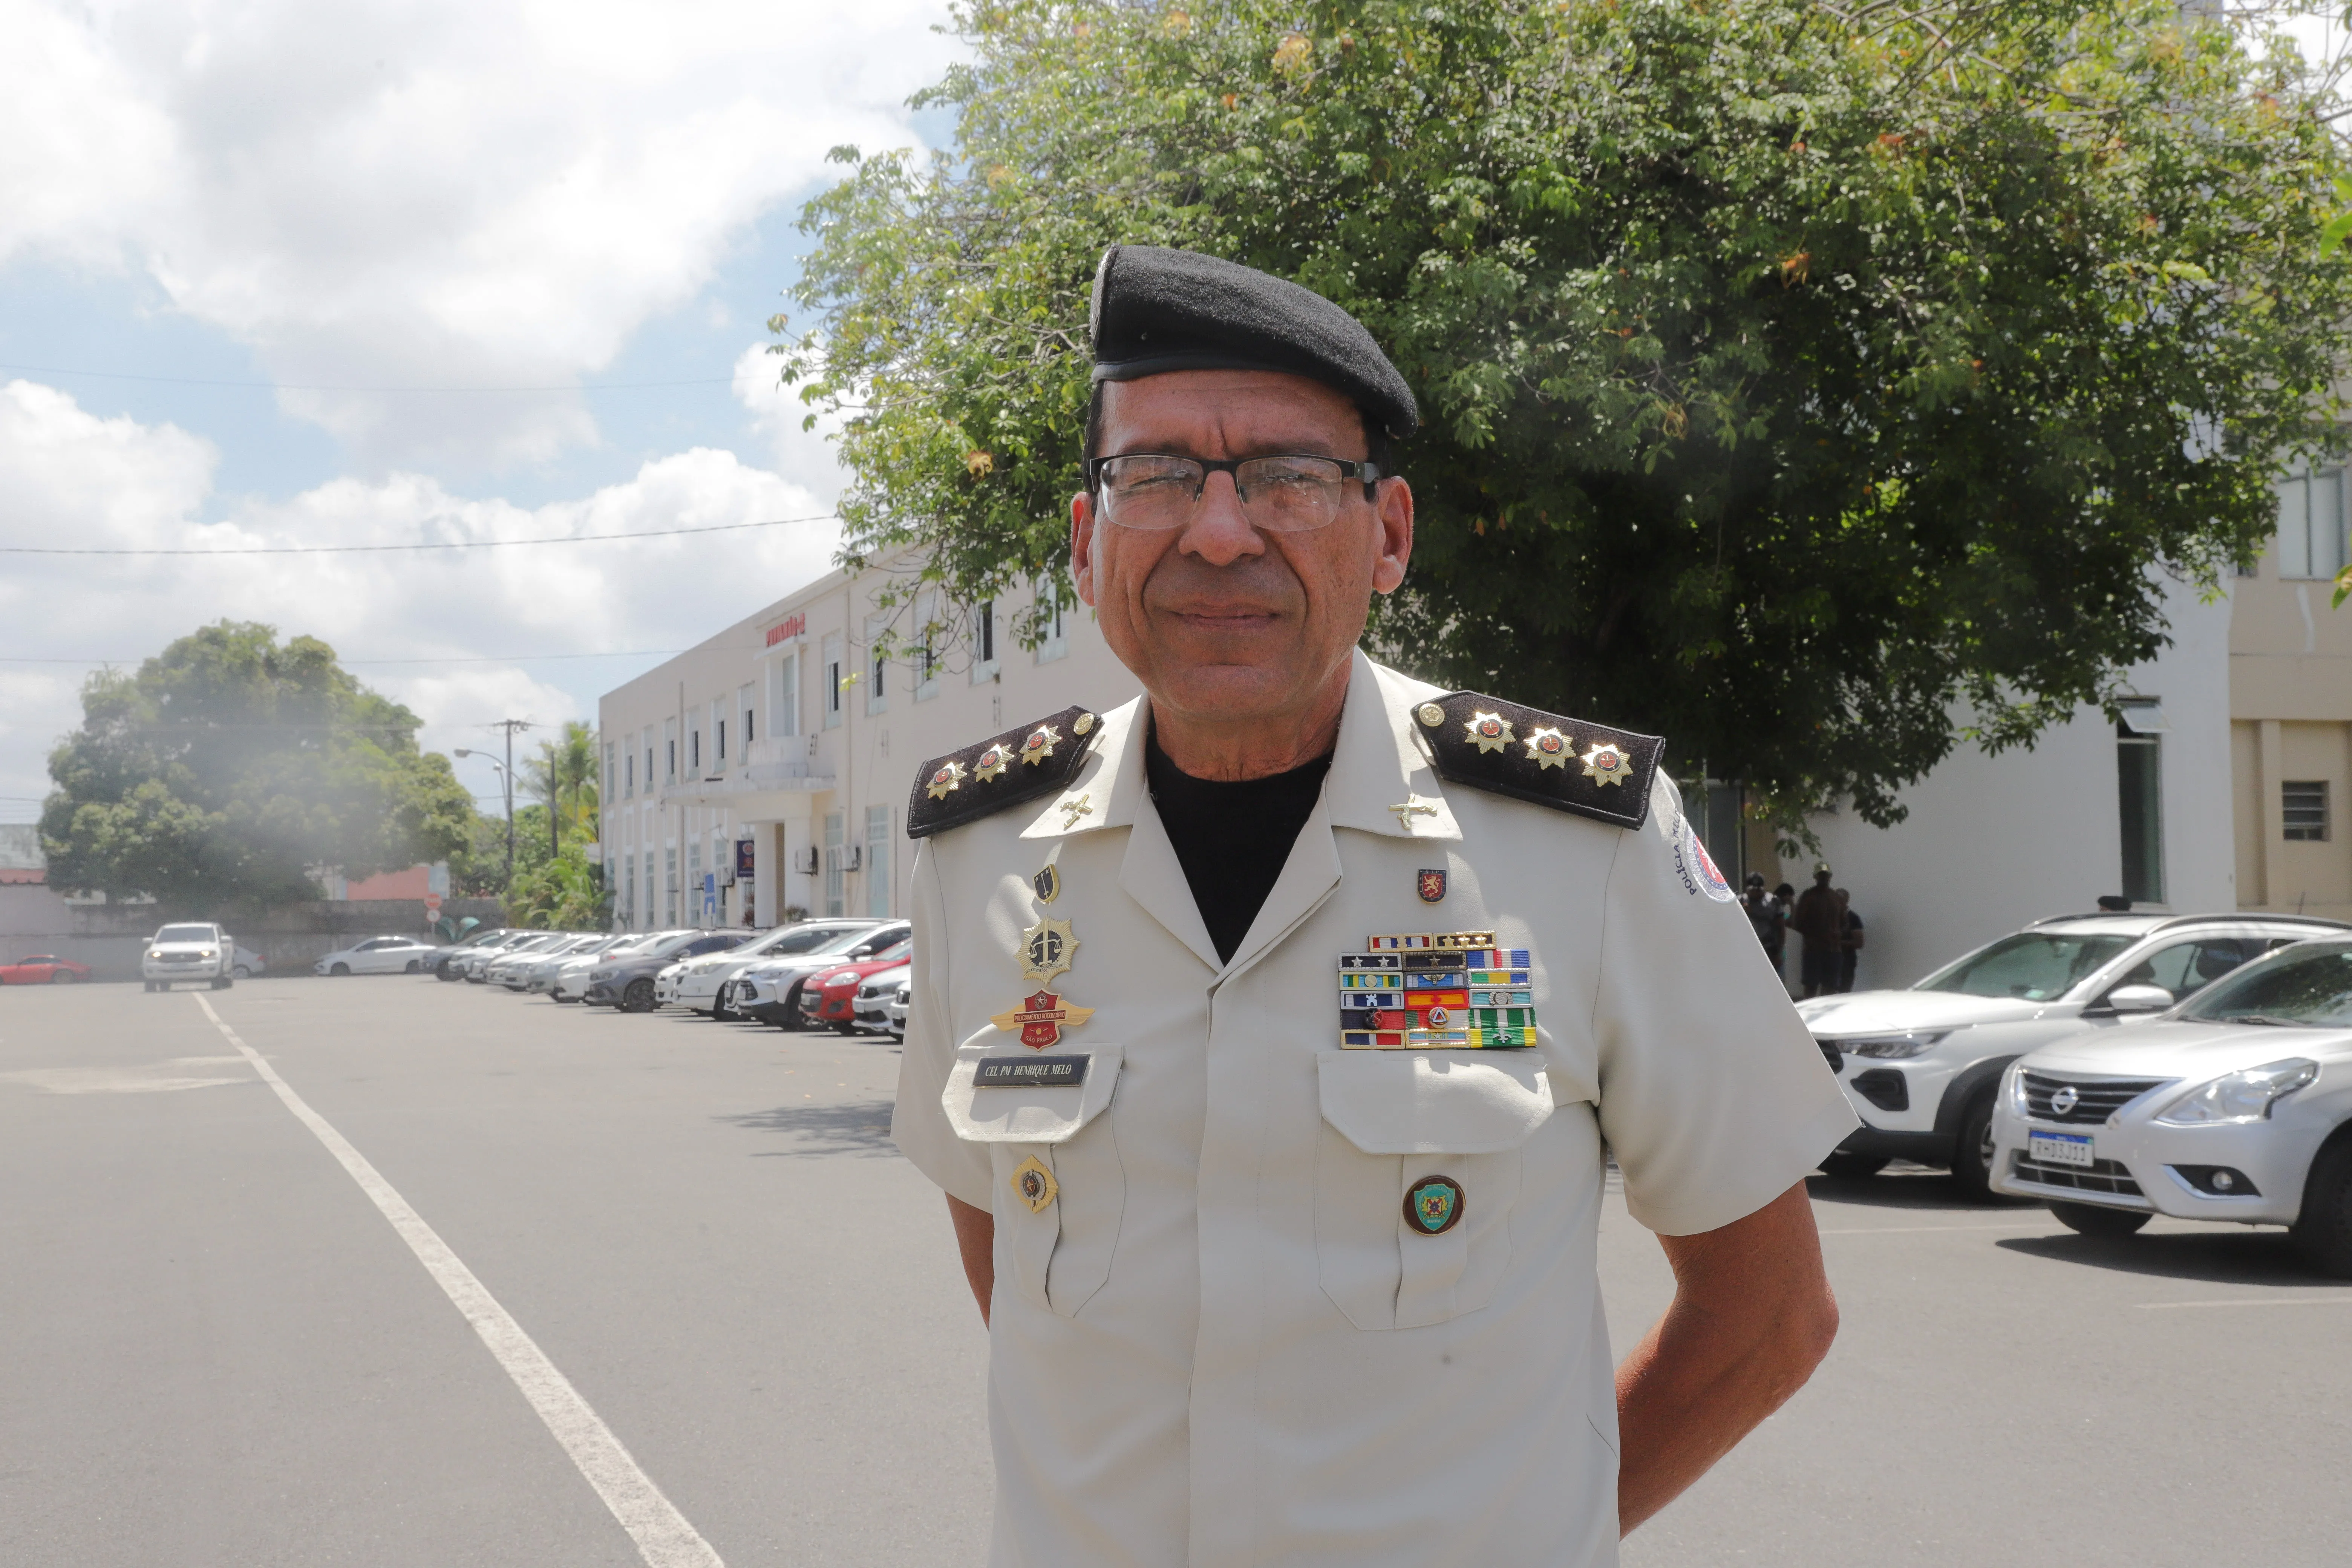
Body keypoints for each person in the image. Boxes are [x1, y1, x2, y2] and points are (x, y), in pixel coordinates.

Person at [890, 243, 1856, 1568]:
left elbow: (1770, 1319)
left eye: (1289, 478)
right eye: (1157, 475)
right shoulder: (979, 855)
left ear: (1387, 535)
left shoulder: (1575, 846)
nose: (1218, 534)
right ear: (1085, 539)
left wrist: (1548, 1529)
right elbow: (1021, 1276)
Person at [1790, 863, 1844, 1000]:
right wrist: (1814, 935)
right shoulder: (1808, 896)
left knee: (1831, 988)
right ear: (1816, 877)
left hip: (1833, 950)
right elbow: (1797, 923)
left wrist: (1837, 934)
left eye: (1826, 875)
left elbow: (1845, 922)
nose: (1824, 878)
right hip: (1813, 950)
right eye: (1821, 875)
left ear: (1830, 877)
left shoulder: (1837, 898)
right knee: (1811, 988)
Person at [1742, 871, 1787, 982]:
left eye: (1759, 889)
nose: (1756, 892)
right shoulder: (1741, 901)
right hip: (1748, 950)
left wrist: (1779, 954)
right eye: (1753, 889)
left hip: (1770, 950)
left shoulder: (1773, 901)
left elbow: (1781, 929)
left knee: (1773, 983)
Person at [1834, 888, 1865, 994]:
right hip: (1829, 960)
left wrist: (1838, 943)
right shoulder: (1827, 917)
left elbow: (1859, 943)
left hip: (1846, 962)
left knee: (1844, 993)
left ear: (1847, 901)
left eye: (1841, 900)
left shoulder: (1853, 918)